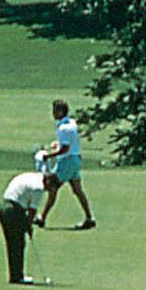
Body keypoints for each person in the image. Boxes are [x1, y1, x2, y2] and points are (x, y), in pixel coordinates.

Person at [38, 98, 96, 230]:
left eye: (54, 110)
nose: (52, 113)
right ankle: (89, 218)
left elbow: (65, 149)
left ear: (60, 111)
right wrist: (56, 144)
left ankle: (42, 218)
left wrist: (48, 155)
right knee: (77, 190)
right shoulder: (71, 123)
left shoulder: (63, 128)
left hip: (67, 161)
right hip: (74, 160)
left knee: (52, 186)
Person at [0, 169, 60, 285]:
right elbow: (32, 211)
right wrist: (29, 227)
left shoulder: (34, 176)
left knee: (12, 244)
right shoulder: (38, 188)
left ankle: (15, 276)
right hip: (14, 210)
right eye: (49, 188)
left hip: (4, 208)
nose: (47, 191)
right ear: (47, 181)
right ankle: (17, 277)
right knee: (18, 244)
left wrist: (27, 225)